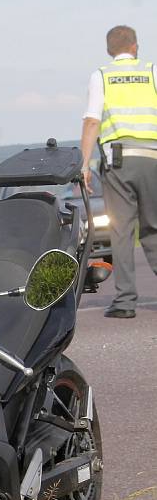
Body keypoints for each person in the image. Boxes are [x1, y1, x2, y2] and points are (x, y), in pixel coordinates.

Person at [80, 25, 157, 318]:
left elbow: (91, 122)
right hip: (152, 159)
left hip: (118, 162)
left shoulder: (101, 76)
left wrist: (84, 165)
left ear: (109, 50)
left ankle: (125, 303)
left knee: (122, 231)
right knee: (154, 228)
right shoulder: (151, 72)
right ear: (135, 46)